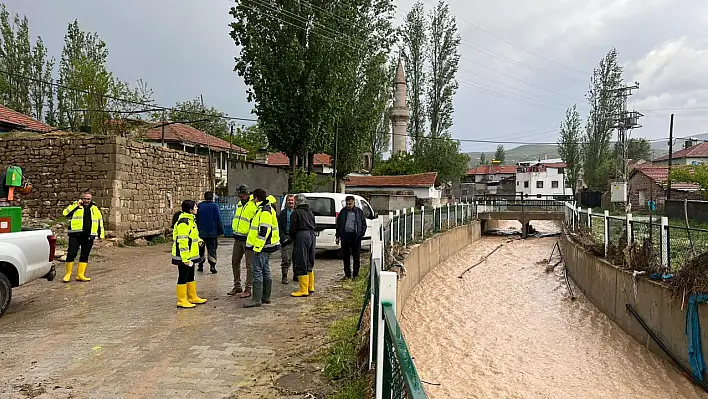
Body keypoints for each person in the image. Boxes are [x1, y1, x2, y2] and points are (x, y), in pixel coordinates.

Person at [244, 189, 280, 308]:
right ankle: (265, 297)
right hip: (266, 245)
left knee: (257, 271)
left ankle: (257, 299)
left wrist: (257, 247)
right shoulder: (265, 207)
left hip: (262, 246)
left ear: (256, 198)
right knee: (265, 269)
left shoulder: (264, 210)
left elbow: (264, 230)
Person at [61, 190, 105, 283]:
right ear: (81, 198)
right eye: (84, 198)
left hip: (89, 235)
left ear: (91, 199)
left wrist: (101, 235)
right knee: (72, 253)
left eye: (88, 199)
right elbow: (65, 213)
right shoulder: (75, 206)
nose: (86, 200)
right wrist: (76, 205)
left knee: (85, 255)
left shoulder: (95, 208)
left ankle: (80, 275)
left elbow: (99, 221)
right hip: (75, 234)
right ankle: (68, 274)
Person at [171, 200, 208, 308]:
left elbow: (193, 237)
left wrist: (200, 241)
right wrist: (186, 259)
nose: (197, 209)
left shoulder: (191, 220)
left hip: (191, 255)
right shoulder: (184, 222)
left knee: (190, 275)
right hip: (183, 256)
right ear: (190, 209)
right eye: (195, 207)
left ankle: (192, 297)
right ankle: (182, 300)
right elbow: (182, 241)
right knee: (183, 276)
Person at [230, 184, 257, 298]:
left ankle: (248, 288)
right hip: (237, 238)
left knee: (249, 265)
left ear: (247, 194)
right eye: (239, 195)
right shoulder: (240, 204)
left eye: (241, 195)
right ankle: (237, 286)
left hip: (248, 240)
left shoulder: (253, 205)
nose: (239, 197)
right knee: (235, 263)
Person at [289, 194, 317, 297]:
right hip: (312, 234)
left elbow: (292, 229)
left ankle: (303, 289)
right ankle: (311, 286)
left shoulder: (296, 213)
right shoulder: (310, 212)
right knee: (310, 260)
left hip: (302, 235)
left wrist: (292, 238)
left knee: (301, 260)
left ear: (296, 202)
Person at [335, 196, 366, 279]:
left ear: (353, 202)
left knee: (356, 256)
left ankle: (355, 274)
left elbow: (363, 224)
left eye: (350, 203)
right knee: (346, 257)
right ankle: (347, 274)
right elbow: (338, 225)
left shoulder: (359, 212)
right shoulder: (343, 212)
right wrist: (338, 236)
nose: (348, 205)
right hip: (345, 236)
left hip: (355, 237)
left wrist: (361, 234)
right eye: (347, 203)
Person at [196, 191, 224, 274]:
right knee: (212, 249)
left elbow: (196, 218)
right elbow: (218, 218)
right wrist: (221, 231)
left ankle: (200, 265)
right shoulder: (214, 206)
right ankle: (212, 266)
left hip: (201, 232)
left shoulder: (200, 206)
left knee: (201, 249)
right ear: (212, 197)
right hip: (212, 232)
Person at [277, 194, 296, 284]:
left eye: (292, 200)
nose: (290, 202)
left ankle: (296, 275)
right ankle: (284, 276)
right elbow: (279, 227)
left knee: (296, 257)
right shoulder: (283, 213)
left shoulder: (297, 212)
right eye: (289, 200)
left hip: (296, 238)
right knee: (286, 258)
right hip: (286, 237)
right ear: (286, 202)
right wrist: (283, 238)